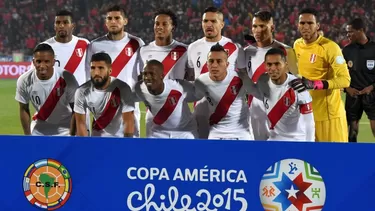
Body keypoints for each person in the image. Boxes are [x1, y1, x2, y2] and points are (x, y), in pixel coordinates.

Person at [290, 8, 351, 142]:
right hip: (306, 115)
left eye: (310, 23)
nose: (306, 27)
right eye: (302, 23)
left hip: (329, 117)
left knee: (334, 160)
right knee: (309, 161)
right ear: (298, 25)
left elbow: (345, 80)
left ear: (317, 26)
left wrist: (317, 84)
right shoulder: (297, 45)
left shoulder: (330, 47)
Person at [187, 6, 246, 139]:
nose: (208, 24)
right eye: (205, 21)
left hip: (227, 112)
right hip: (201, 109)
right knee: (202, 153)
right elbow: (192, 76)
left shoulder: (235, 48)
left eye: (213, 21)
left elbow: (243, 76)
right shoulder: (193, 47)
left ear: (222, 24)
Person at [86, 4, 145, 137]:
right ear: (105, 22)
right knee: (100, 152)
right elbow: (88, 77)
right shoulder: (95, 45)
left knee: (129, 151)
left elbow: (143, 75)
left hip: (128, 107)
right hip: (102, 109)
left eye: (117, 18)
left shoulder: (136, 43)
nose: (113, 22)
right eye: (109, 18)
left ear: (125, 21)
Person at [244, 10, 298, 141]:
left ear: (272, 28)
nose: (257, 30)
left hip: (280, 114)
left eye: (262, 26)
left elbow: (296, 84)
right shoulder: (246, 53)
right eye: (254, 26)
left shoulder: (286, 51)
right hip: (255, 114)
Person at [137, 9, 191, 137]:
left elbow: (191, 78)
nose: (159, 27)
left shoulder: (185, 51)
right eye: (157, 23)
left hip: (180, 115)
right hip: (155, 117)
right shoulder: (143, 51)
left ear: (173, 27)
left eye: (164, 24)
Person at [241, 48, 315, 141]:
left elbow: (309, 122)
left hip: (296, 140)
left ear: (286, 65)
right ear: (265, 66)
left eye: (277, 64)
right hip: (274, 140)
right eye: (269, 64)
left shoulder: (297, 87)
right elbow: (252, 89)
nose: (273, 68)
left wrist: (309, 146)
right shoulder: (263, 82)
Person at [194, 43, 258, 140]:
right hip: (216, 132)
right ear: (207, 64)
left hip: (241, 132)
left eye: (219, 61)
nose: (214, 65)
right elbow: (192, 97)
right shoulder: (201, 81)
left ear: (227, 64)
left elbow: (258, 92)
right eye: (211, 61)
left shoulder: (240, 78)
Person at [15, 43, 78, 136]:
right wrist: (27, 136)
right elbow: (24, 108)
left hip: (66, 129)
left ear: (53, 62)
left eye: (46, 61)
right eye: (38, 61)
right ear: (33, 62)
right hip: (39, 129)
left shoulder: (67, 78)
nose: (42, 66)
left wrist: (72, 135)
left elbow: (76, 110)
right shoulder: (24, 80)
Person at [74, 52, 135, 137]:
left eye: (101, 68)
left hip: (120, 140)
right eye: (93, 68)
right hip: (97, 139)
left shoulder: (123, 88)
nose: (96, 72)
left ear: (110, 70)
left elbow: (128, 121)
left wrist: (126, 145)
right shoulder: (82, 91)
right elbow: (81, 124)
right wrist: (85, 145)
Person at [134, 60, 198, 139]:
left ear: (162, 76)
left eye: (151, 74)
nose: (147, 77)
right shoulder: (139, 88)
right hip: (158, 132)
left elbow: (198, 95)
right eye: (145, 74)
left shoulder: (179, 86)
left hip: (184, 131)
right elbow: (128, 98)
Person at [342, 18, 375, 141]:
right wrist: (347, 88)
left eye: (350, 31)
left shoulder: (373, 49)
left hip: (371, 95)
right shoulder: (347, 50)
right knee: (352, 132)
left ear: (361, 30)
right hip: (353, 95)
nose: (347, 35)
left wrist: (371, 87)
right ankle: (351, 157)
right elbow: (339, 73)